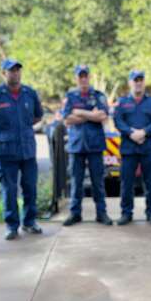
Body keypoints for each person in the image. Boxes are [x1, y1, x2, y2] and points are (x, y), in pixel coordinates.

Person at [0, 59, 44, 240]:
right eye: (11, 71)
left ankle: (30, 222)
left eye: (17, 70)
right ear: (4, 73)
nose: (15, 73)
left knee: (30, 188)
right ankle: (11, 226)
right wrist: (5, 130)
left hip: (27, 149)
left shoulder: (30, 93)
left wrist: (22, 129)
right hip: (5, 150)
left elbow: (37, 116)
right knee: (9, 190)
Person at [61, 65, 112, 226]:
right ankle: (75, 214)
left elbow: (102, 116)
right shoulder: (70, 96)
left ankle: (101, 213)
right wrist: (91, 114)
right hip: (77, 145)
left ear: (89, 77)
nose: (83, 79)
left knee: (98, 181)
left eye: (85, 76)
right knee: (76, 182)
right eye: (80, 76)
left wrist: (79, 112)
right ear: (76, 78)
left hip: (95, 144)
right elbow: (67, 119)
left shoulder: (99, 96)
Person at [114, 70, 151, 225]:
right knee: (126, 183)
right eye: (135, 80)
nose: (138, 82)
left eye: (141, 79)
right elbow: (117, 120)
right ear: (130, 82)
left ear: (144, 82)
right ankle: (126, 213)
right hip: (129, 149)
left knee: (150, 182)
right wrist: (130, 133)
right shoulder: (122, 102)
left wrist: (144, 132)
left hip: (147, 148)